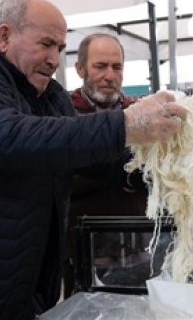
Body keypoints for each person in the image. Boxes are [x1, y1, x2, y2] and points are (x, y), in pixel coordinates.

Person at [0, 0, 192, 319]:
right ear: (4, 36)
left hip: (16, 289)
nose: (53, 59)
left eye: (60, 48)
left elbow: (96, 159)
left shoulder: (50, 97)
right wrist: (125, 124)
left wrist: (172, 176)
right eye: (45, 44)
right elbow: (8, 139)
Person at [63, 33, 148, 298]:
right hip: (83, 254)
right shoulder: (63, 115)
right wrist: (125, 177)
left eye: (117, 66)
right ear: (80, 69)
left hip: (139, 251)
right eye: (100, 66)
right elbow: (59, 175)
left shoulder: (141, 114)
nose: (109, 75)